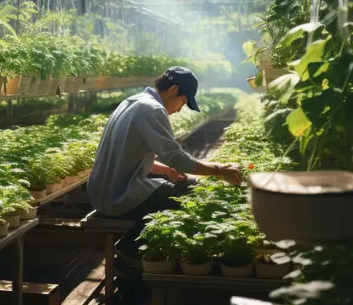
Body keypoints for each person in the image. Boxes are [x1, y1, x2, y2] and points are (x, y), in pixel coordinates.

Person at [87, 66, 243, 263]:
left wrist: (166, 170)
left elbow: (130, 155)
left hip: (101, 193)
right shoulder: (152, 109)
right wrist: (219, 170)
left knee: (173, 188)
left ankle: (133, 249)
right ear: (173, 91)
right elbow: (176, 157)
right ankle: (132, 251)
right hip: (118, 197)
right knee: (191, 192)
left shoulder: (132, 102)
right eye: (183, 102)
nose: (179, 110)